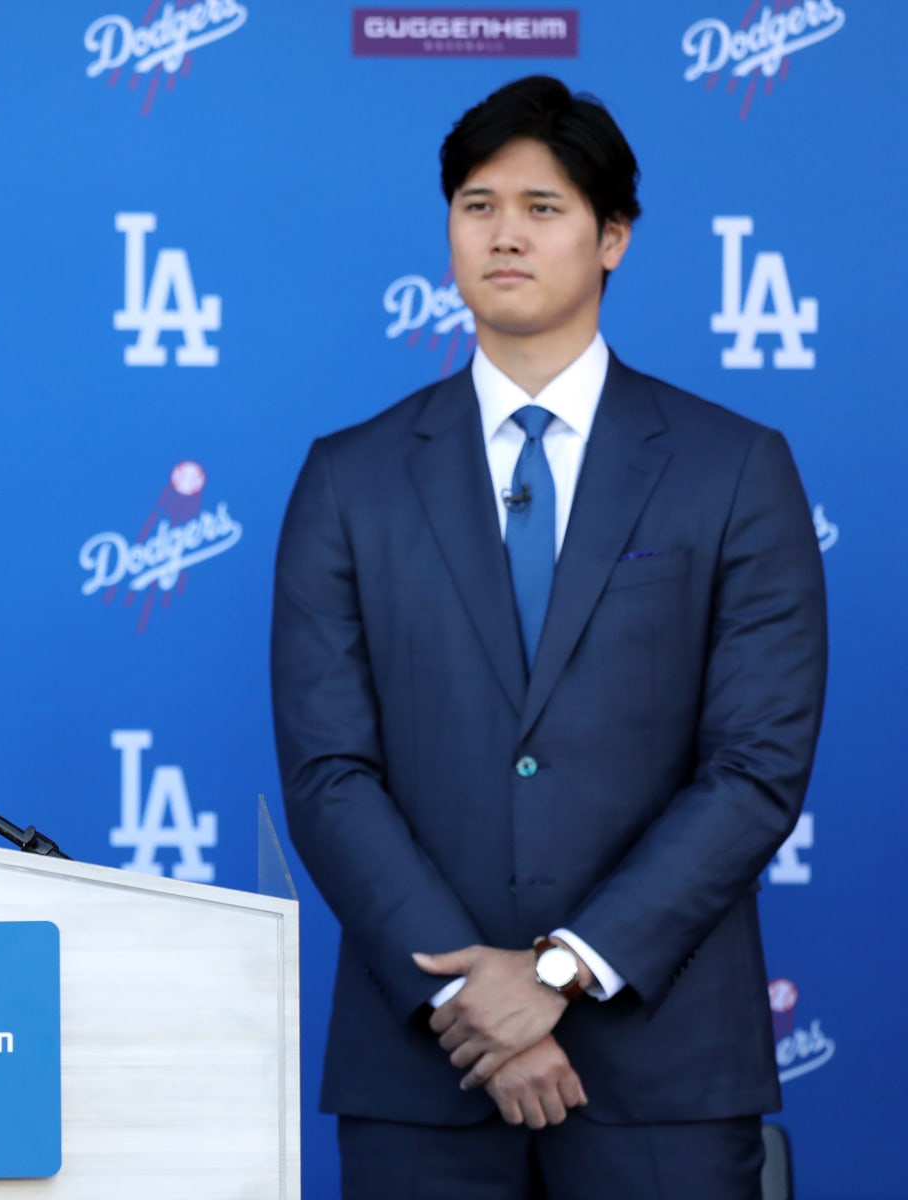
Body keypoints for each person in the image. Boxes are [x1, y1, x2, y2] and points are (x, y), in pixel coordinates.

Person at [270, 76, 825, 1198]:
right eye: (477, 206)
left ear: (613, 236)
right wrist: (472, 997)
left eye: (542, 207)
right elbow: (329, 773)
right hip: (426, 1067)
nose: (505, 234)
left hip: (662, 1068)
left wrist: (562, 971)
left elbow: (755, 767)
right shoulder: (349, 478)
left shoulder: (731, 468)